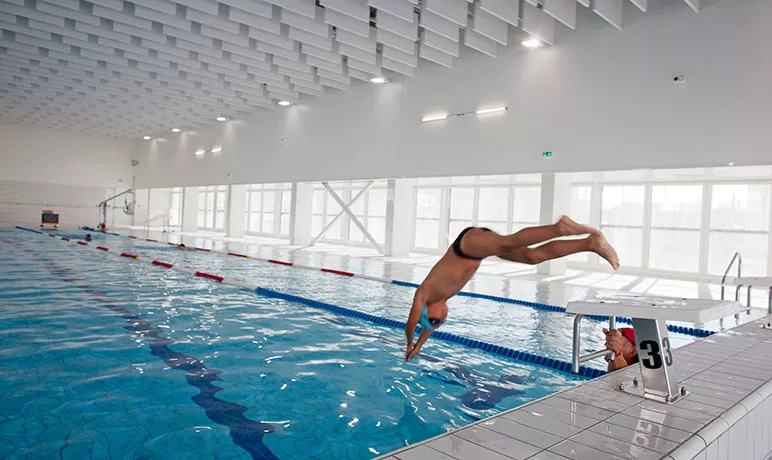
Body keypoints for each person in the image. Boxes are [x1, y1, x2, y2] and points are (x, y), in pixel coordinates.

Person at [404, 216, 620, 362]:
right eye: (438, 323)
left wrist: (410, 343)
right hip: (478, 252)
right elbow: (427, 327)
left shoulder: (425, 292)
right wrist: (421, 345)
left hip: (467, 245)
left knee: (508, 243)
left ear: (425, 310)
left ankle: (560, 228)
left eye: (434, 320)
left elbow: (411, 322)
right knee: (532, 257)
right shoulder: (443, 299)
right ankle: (590, 244)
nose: (441, 319)